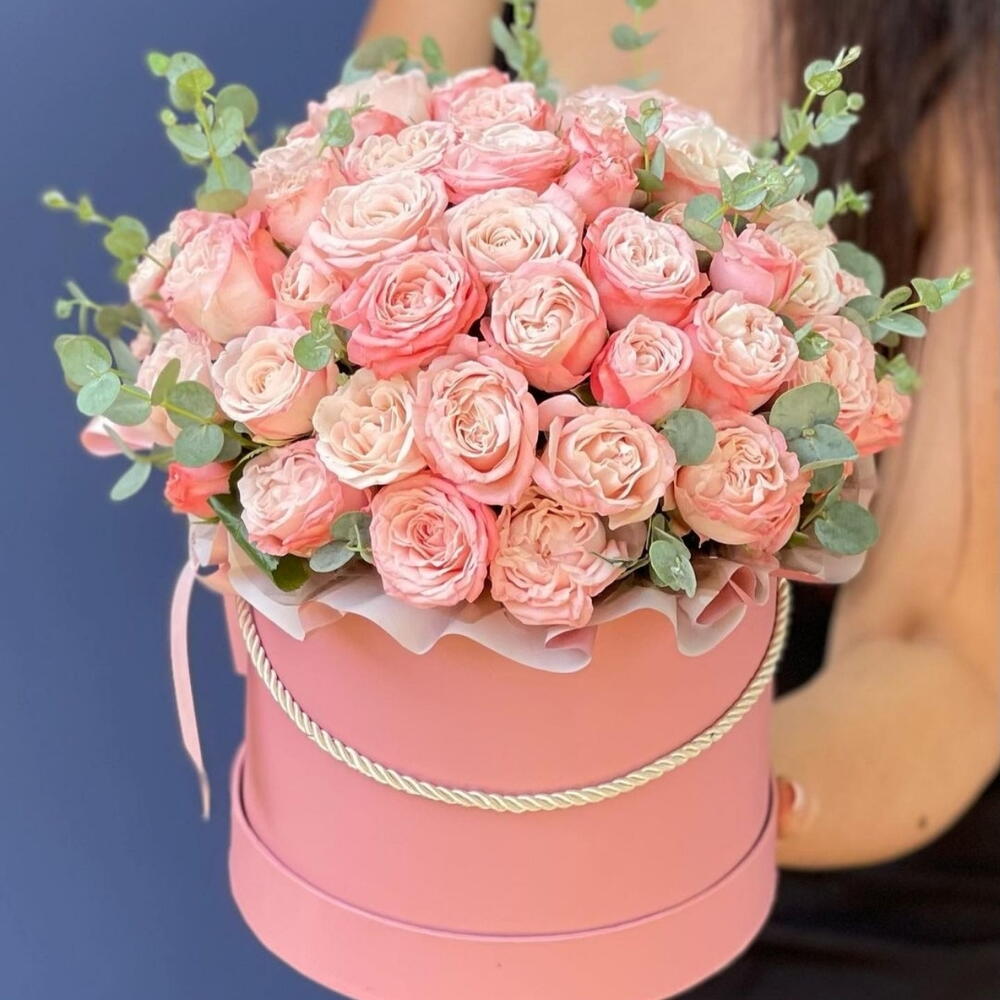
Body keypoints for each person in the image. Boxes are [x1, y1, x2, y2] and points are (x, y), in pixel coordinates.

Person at [359, 0, 999, 993]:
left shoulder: (965, 51)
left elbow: (939, 652)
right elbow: (335, 265)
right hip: (473, 873)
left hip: (833, 909)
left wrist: (642, 801)